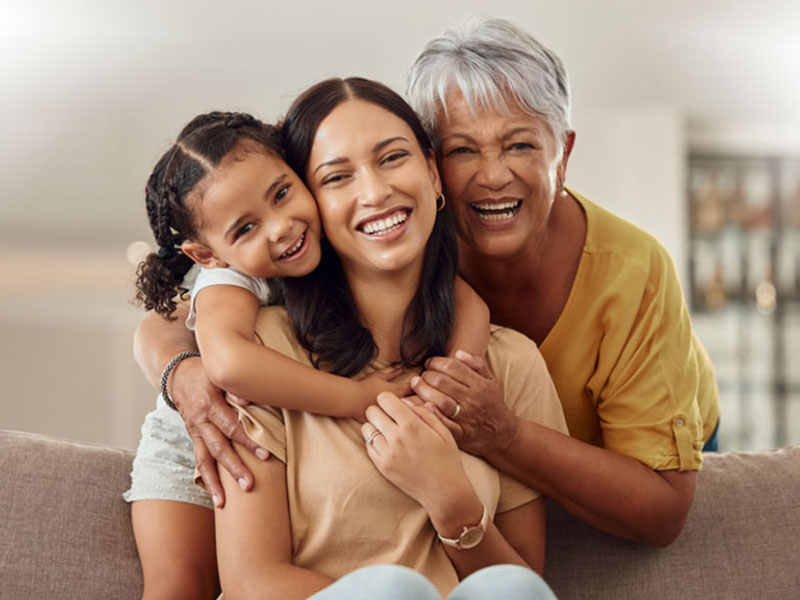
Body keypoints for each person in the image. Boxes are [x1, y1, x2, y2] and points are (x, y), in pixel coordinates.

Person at [211, 75, 565, 598]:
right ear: (312, 206)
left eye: (393, 158)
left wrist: (450, 499)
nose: (375, 192)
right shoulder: (267, 349)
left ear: (433, 174)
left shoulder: (510, 361)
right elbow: (250, 581)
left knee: (514, 589)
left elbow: (524, 582)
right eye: (337, 178)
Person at [125, 111, 489, 598]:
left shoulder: (332, 234)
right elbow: (230, 364)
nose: (280, 227)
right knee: (178, 584)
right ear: (207, 255)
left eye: (281, 194)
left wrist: (448, 388)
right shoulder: (227, 280)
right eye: (246, 228)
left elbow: (465, 299)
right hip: (196, 432)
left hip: (258, 417)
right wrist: (359, 399)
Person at [402, 16, 720, 547]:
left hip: (669, 440)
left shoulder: (635, 269)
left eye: (519, 145)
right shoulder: (402, 251)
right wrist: (207, 365)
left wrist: (502, 436)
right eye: (462, 150)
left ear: (563, 154)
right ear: (430, 167)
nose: (494, 175)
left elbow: (661, 510)